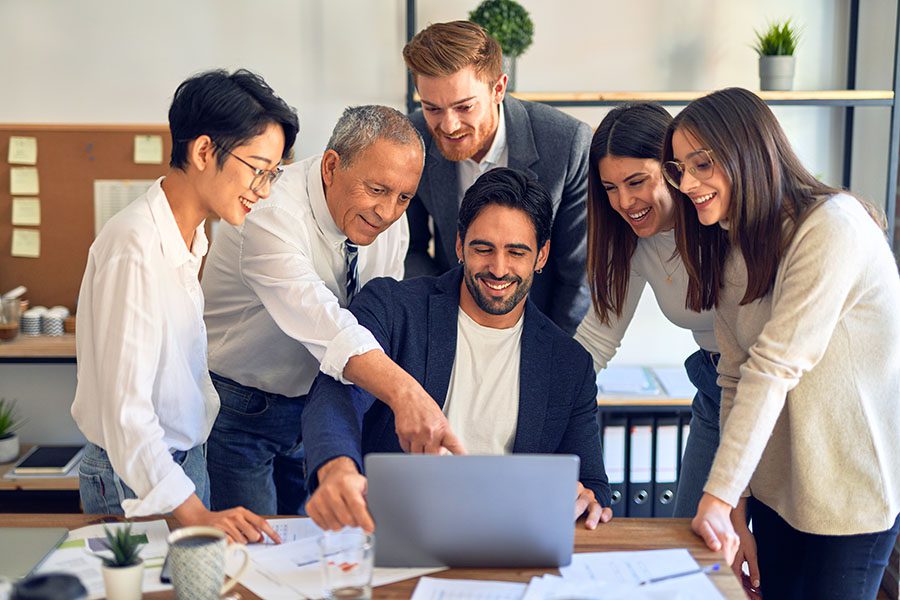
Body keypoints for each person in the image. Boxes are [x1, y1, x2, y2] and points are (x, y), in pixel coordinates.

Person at [665, 87, 900, 599]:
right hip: (777, 494)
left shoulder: (832, 228)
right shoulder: (733, 249)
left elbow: (773, 369)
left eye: (701, 164)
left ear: (748, 151)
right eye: (678, 169)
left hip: (846, 500)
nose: (686, 184)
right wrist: (738, 501)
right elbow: (733, 376)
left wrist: (716, 496)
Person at [302, 167, 612, 533]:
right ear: (459, 244)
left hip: (508, 536)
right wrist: (337, 468)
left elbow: (592, 482)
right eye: (483, 249)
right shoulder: (392, 307)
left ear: (541, 256)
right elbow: (336, 395)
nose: (499, 269)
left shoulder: (568, 364)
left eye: (516, 252)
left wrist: (589, 500)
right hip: (393, 529)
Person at [201, 105, 464, 516]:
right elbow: (328, 325)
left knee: (314, 547)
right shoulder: (269, 210)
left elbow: (378, 317)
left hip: (317, 407)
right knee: (254, 551)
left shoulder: (392, 220)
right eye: (376, 190)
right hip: (242, 410)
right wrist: (407, 393)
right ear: (330, 166)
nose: (388, 212)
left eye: (404, 197)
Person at [72, 69, 298, 543]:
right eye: (258, 168)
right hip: (135, 474)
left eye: (273, 173)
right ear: (202, 152)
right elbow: (126, 414)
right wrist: (196, 513)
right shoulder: (133, 246)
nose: (264, 188)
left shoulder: (192, 236)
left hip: (178, 464)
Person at [573, 104, 723, 518]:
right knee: (690, 537)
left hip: (767, 393)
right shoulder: (632, 243)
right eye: (609, 188)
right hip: (715, 392)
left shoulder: (722, 222)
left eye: (636, 181)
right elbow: (597, 339)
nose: (624, 202)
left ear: (674, 169)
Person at [401, 20, 591, 334]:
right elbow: (411, 249)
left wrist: (550, 349)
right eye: (432, 108)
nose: (448, 126)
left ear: (498, 89)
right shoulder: (412, 138)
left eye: (464, 107)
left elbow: (578, 275)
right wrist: (443, 322)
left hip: (542, 322)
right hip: (448, 319)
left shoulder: (567, 142)